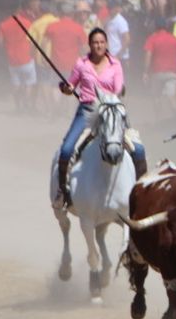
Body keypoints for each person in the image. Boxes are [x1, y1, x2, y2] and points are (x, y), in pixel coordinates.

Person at [55, 27, 147, 205]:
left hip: (111, 111)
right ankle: (62, 191)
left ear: (106, 44)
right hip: (87, 110)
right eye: (95, 42)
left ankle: (141, 194)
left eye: (102, 42)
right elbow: (69, 85)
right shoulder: (81, 64)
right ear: (89, 45)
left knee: (139, 149)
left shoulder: (115, 64)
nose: (99, 45)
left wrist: (109, 100)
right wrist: (67, 88)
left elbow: (118, 89)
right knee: (66, 149)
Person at [0, 0, 41, 112]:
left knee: (15, 83)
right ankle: (26, 105)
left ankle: (18, 107)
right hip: (26, 58)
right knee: (29, 83)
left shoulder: (4, 24)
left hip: (12, 59)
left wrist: (7, 48)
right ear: (19, 9)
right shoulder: (28, 23)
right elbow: (33, 40)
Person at [143, 19, 176, 115]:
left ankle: (158, 117)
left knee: (156, 96)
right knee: (171, 95)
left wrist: (145, 71)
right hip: (172, 73)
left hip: (157, 73)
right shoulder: (174, 39)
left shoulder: (152, 39)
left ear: (155, 27)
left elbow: (148, 55)